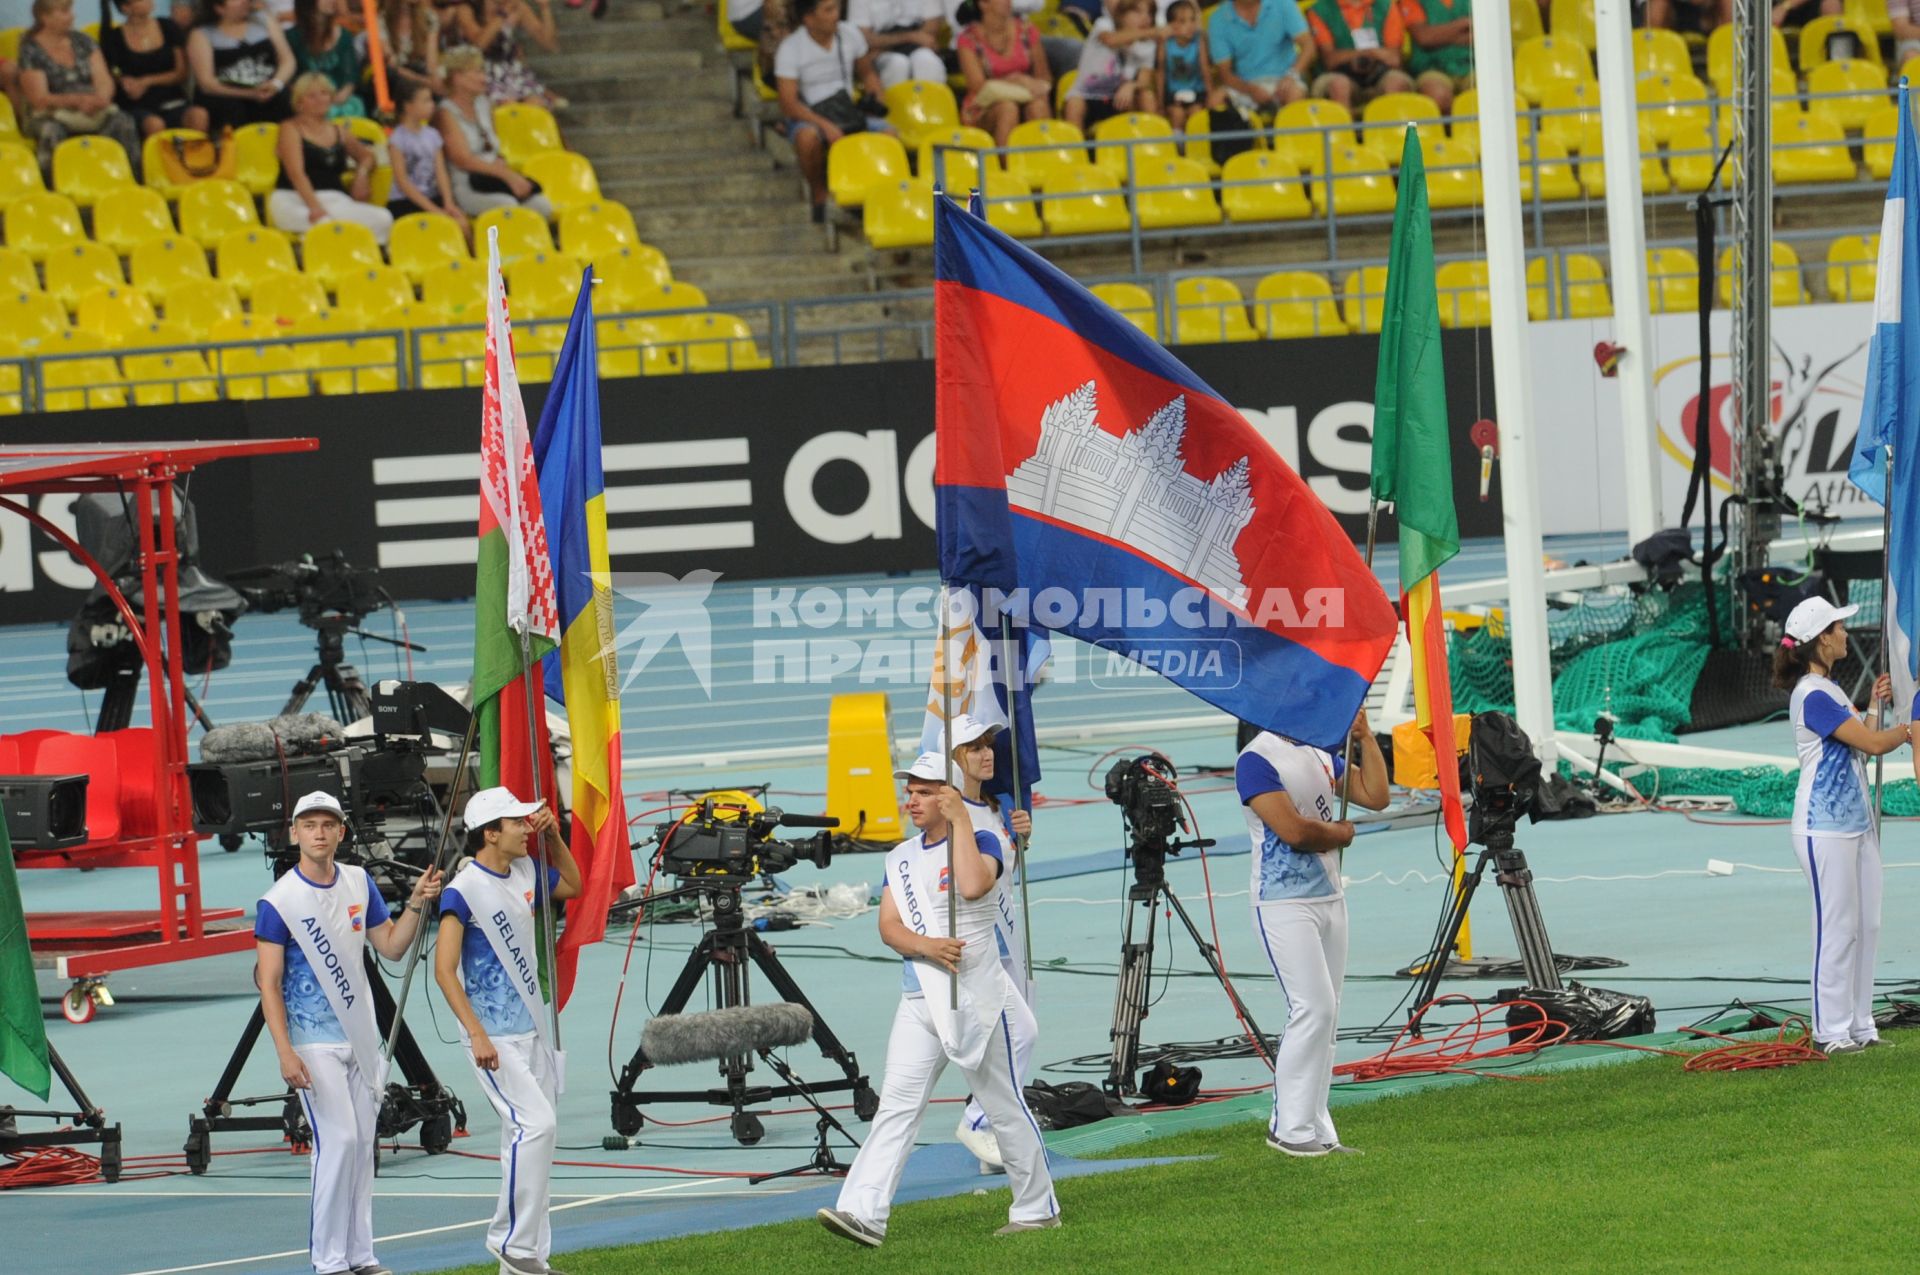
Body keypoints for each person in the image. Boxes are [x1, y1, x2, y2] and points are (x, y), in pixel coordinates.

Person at [816, 754, 1060, 1247]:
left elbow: (973, 886)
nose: (912, 800)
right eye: (911, 791)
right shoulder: (899, 858)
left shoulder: (984, 839)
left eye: (925, 791)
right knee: (897, 1107)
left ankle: (1037, 1208)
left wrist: (963, 819)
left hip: (977, 999)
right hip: (920, 999)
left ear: (948, 795)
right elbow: (888, 927)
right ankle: (863, 1212)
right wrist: (926, 946)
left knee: (1004, 1105)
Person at [255, 791, 442, 1275]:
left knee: (362, 1145)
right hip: (313, 1044)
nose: (319, 832)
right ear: (294, 833)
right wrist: (284, 1051)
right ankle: (328, 1260)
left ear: (341, 832)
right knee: (336, 1142)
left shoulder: (360, 881)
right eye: (309, 824)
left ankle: (362, 1255)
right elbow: (268, 983)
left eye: (328, 824)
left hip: (361, 1040)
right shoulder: (278, 903)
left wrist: (418, 903)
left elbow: (392, 947)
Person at [435, 787, 582, 1275]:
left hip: (531, 1030)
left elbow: (575, 885)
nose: (527, 828)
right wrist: (475, 1033)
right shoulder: (463, 890)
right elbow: (444, 970)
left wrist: (555, 837)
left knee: (526, 1140)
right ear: (490, 833)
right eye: (517, 823)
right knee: (537, 1126)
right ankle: (511, 1243)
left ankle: (528, 1259)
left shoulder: (525, 871)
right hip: (493, 1038)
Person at [1236, 708, 1387, 1156]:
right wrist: (1340, 833)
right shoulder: (1256, 759)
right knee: (1313, 1007)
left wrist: (1366, 737)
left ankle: (1319, 1127)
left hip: (1329, 899)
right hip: (1284, 904)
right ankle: (1288, 1128)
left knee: (1330, 1015)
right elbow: (1293, 831)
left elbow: (1376, 796)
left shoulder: (1320, 753)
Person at [1773, 597, 1906, 1056]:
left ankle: (1861, 1024)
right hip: (1823, 829)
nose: (1847, 633)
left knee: (1867, 925)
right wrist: (1910, 729)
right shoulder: (1812, 694)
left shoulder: (1829, 690)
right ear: (1822, 639)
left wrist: (1872, 704)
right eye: (1839, 627)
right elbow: (1872, 743)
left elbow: (1860, 740)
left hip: (1857, 826)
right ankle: (1831, 1032)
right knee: (1837, 928)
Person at [942, 714, 1037, 1175]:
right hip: (976, 944)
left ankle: (996, 1137)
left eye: (988, 745)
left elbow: (1004, 876)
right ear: (953, 758)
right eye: (975, 747)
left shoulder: (999, 805)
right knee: (1016, 1034)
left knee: (1009, 1038)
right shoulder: (950, 812)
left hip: (1006, 937)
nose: (987, 753)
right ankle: (976, 1120)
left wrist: (1022, 840)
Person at [774, 0, 889, 221]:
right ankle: (819, 194)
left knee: (889, 135)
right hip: (810, 115)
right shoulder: (790, 48)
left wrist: (877, 97)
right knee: (807, 139)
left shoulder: (850, 34)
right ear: (808, 18)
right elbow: (788, 104)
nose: (836, 15)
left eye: (836, 8)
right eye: (828, 10)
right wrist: (825, 125)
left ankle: (879, 199)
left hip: (846, 110)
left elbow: (867, 73)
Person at [16, 0, 143, 177]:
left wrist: (101, 99)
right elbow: (40, 98)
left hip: (92, 108)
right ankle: (55, 189)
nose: (72, 16)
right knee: (51, 131)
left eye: (71, 10)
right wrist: (78, 101)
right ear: (45, 17)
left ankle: (129, 181)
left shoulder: (84, 42)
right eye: (64, 11)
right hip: (51, 112)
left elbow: (104, 80)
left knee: (123, 122)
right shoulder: (30, 49)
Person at [268, 72, 395, 241]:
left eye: (324, 93)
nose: (320, 99)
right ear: (299, 102)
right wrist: (315, 207)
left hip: (335, 199)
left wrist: (361, 175)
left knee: (383, 218)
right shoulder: (290, 128)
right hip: (293, 198)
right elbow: (295, 173)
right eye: (312, 96)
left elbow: (366, 156)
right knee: (325, 225)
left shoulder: (338, 131)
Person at [437, 45, 555, 216]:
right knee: (508, 207)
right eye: (477, 72)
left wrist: (505, 170)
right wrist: (507, 176)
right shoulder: (445, 113)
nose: (484, 78)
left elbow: (494, 147)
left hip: (495, 177)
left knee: (541, 206)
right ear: (457, 77)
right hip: (469, 184)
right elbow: (462, 159)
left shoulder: (485, 104)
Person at [101, 0, 209, 137]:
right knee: (154, 124)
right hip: (138, 105)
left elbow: (181, 72)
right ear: (126, 8)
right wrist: (123, 81)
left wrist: (146, 81)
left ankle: (197, 157)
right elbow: (112, 72)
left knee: (199, 115)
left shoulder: (168, 26)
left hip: (172, 99)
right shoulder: (114, 37)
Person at [187, 0, 296, 132]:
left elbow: (288, 60)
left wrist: (276, 84)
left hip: (267, 88)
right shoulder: (201, 34)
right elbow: (206, 83)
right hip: (226, 94)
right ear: (219, 8)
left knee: (285, 99)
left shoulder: (263, 20)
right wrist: (249, 94)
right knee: (232, 109)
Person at [955, 0, 1051, 147]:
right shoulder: (968, 39)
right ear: (984, 4)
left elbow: (1044, 76)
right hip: (986, 106)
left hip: (1025, 96)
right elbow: (977, 86)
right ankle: (1005, 167)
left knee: (1038, 106)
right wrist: (1015, 80)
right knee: (1008, 108)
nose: (1009, 1)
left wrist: (1037, 86)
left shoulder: (1027, 30)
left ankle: (1043, 162)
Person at [387, 80, 468, 238]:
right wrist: (434, 210)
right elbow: (403, 182)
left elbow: (441, 172)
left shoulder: (432, 135)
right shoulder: (397, 139)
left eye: (431, 100)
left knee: (462, 224)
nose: (431, 105)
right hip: (406, 201)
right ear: (408, 106)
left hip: (432, 195)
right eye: (425, 101)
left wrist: (448, 202)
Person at [446, 0, 561, 108]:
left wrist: (544, 8)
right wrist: (502, 14)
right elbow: (479, 45)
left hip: (510, 71)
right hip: (478, 70)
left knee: (536, 103)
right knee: (508, 104)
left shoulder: (518, 6)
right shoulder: (465, 9)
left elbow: (550, 44)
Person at [1063, 0, 1158, 130]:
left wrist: (1131, 85)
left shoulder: (1147, 46)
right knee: (1074, 104)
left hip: (1117, 98)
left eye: (1150, 13)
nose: (1146, 18)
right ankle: (1075, 149)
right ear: (1123, 14)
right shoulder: (1104, 24)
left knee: (1145, 96)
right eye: (1137, 11)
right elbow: (1110, 40)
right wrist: (1153, 32)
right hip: (1086, 96)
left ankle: (1150, 144)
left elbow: (1144, 80)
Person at [1208, 0, 1311, 118]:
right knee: (1215, 100)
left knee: (1294, 92)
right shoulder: (1217, 19)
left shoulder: (1283, 3)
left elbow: (1308, 45)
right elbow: (1225, 73)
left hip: (1284, 79)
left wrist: (1291, 75)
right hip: (1245, 86)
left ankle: (1289, 136)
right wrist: (1250, 90)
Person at [1304, 0, 1412, 110]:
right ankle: (1345, 127)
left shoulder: (1386, 5)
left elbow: (1394, 58)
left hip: (1380, 73)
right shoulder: (1320, 9)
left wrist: (1369, 54)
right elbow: (1330, 60)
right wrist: (1360, 56)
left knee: (1395, 82)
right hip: (1338, 73)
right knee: (1339, 85)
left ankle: (1392, 127)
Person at [287, 0, 366, 118]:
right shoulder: (292, 37)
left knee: (356, 106)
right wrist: (312, 99)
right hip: (307, 102)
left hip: (340, 100)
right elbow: (290, 80)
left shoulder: (344, 36)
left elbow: (351, 76)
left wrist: (341, 95)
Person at [847, 0, 944, 90]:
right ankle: (893, 107)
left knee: (927, 62)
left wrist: (909, 39)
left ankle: (930, 107)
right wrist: (909, 37)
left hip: (916, 45)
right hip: (883, 52)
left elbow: (931, 28)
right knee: (897, 64)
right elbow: (861, 37)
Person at [1159, 0, 1223, 134]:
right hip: (1173, 94)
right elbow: (1160, 72)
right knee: (1177, 115)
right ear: (1171, 25)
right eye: (1183, 21)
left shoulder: (1199, 40)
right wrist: (1160, 101)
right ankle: (1179, 149)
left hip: (1197, 92)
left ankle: (1196, 147)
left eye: (1192, 20)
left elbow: (1205, 69)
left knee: (1197, 115)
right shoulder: (1165, 43)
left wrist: (1210, 94)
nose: (1190, 26)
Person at [1400, 0, 1470, 114]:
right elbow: (1424, 38)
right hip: (1430, 68)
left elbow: (1481, 34)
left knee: (1487, 90)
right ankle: (1446, 131)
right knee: (1438, 94)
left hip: (1469, 66)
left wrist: (1437, 36)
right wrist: (1463, 23)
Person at [371, 0, 444, 97]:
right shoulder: (381, 19)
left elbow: (431, 62)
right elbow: (393, 65)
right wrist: (423, 81)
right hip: (397, 74)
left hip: (419, 70)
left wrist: (434, 80)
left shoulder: (429, 17)